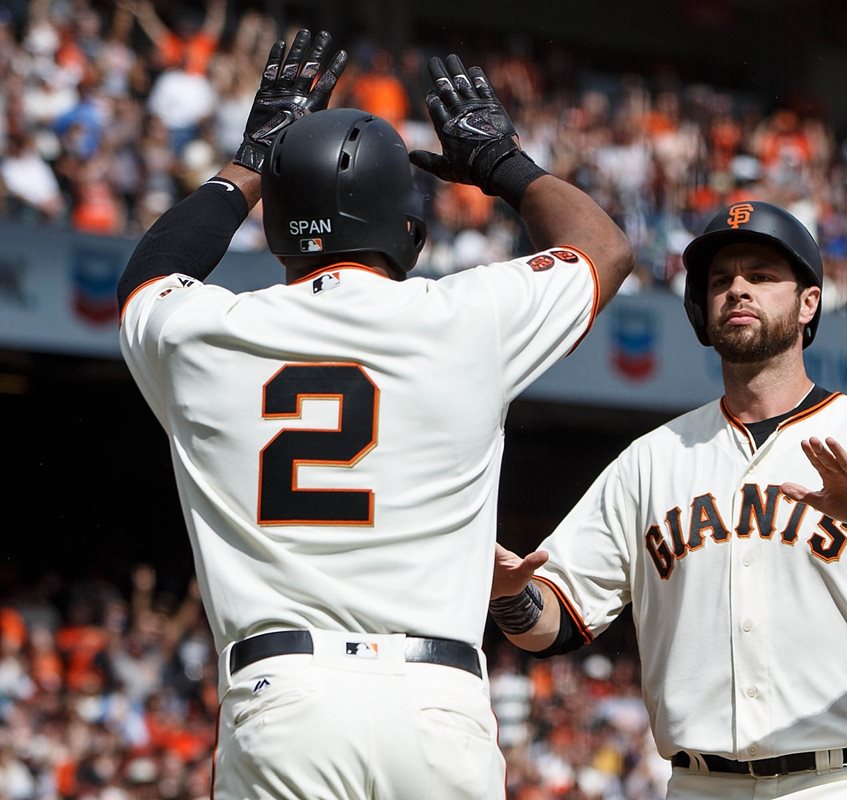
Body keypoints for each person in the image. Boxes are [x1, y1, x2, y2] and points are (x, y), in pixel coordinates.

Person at [117, 27, 633, 800]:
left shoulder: (207, 332)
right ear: (412, 235)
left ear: (276, 229)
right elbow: (604, 247)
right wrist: (500, 163)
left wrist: (248, 163)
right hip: (435, 702)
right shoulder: (470, 317)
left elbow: (148, 276)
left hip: (283, 697)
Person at [492, 200, 847, 798]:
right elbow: (554, 624)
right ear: (702, 311)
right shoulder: (651, 459)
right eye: (721, 281)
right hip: (698, 783)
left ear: (809, 302)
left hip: (840, 780)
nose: (737, 290)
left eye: (761, 275)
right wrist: (509, 596)